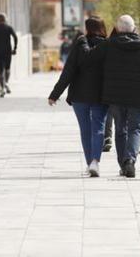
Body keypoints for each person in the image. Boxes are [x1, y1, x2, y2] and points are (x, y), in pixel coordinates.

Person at [93, 15, 140, 178]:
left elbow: (95, 66)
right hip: (138, 96)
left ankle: (124, 164)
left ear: (117, 29)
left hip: (115, 96)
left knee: (120, 129)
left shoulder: (108, 45)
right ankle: (129, 160)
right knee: (135, 128)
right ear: (134, 29)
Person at [47, 17, 108, 177]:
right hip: (101, 95)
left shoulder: (80, 44)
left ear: (87, 29)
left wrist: (55, 94)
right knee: (99, 127)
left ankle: (90, 164)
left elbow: (68, 72)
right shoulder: (108, 46)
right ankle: (95, 161)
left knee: (85, 130)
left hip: (80, 96)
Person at [0, 13, 18, 98]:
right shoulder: (8, 27)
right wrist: (15, 48)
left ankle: (2, 88)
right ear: (5, 19)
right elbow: (15, 37)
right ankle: (7, 84)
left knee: (0, 71)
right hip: (8, 51)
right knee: (7, 68)